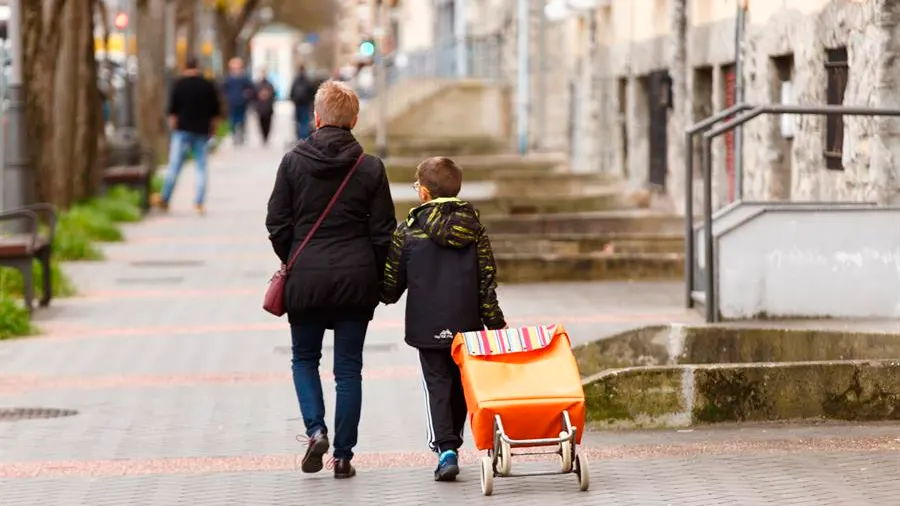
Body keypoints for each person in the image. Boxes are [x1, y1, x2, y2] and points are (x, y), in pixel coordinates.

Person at [265, 80, 397, 479]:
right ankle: (342, 456)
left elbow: (276, 223)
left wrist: (294, 257)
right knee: (348, 370)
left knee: (304, 358)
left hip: (306, 277)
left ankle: (315, 429)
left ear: (316, 117)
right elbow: (384, 233)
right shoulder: (370, 167)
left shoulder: (292, 162)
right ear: (354, 120)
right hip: (356, 279)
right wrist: (373, 273)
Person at [380, 156, 507, 482]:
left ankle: (446, 449)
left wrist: (381, 292)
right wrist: (495, 323)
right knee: (461, 385)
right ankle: (454, 440)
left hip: (427, 325)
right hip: (467, 325)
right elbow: (486, 281)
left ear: (423, 193)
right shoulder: (474, 228)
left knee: (437, 384)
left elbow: (392, 284)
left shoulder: (407, 231)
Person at [155, 55, 221, 215]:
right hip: (202, 131)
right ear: (198, 67)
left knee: (175, 165)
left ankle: (165, 197)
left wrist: (174, 127)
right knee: (201, 167)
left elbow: (172, 111)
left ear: (186, 67)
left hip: (182, 130)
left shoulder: (179, 84)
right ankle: (199, 202)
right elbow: (215, 111)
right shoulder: (207, 85)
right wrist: (213, 129)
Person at [221, 57, 255, 145]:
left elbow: (251, 88)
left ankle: (241, 135)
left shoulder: (244, 77)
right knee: (233, 120)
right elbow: (223, 89)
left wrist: (247, 95)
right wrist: (227, 96)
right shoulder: (228, 78)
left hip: (242, 103)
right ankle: (234, 135)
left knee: (242, 120)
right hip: (232, 103)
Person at [289, 65, 315, 141]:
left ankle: (299, 138)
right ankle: (303, 139)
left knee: (298, 123)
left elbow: (291, 93)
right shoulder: (307, 80)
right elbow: (312, 93)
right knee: (305, 122)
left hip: (298, 105)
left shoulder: (295, 80)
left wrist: (294, 101)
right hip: (305, 105)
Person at [254, 70, 276, 145]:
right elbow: (254, 95)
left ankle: (266, 136)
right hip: (260, 108)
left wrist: (268, 95)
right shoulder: (257, 84)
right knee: (261, 123)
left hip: (268, 107)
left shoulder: (269, 84)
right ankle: (263, 136)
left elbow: (273, 94)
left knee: (268, 123)